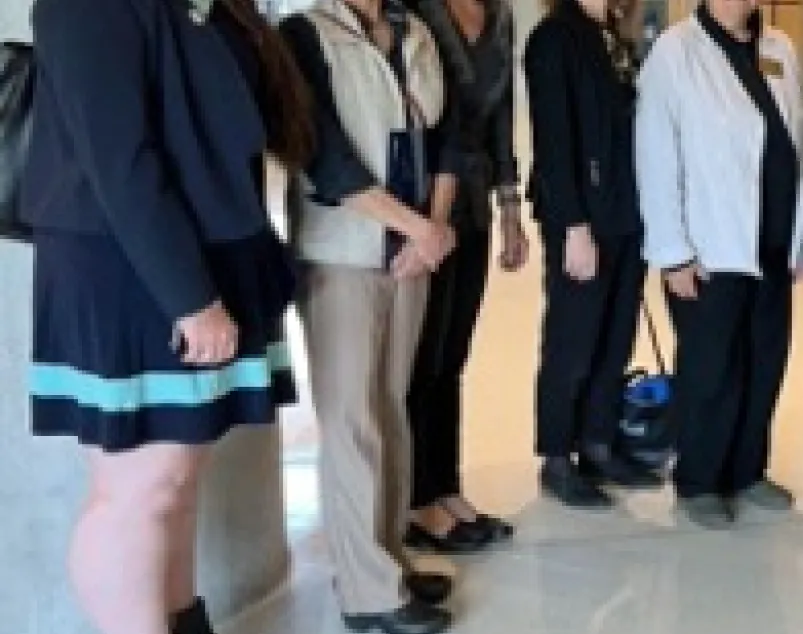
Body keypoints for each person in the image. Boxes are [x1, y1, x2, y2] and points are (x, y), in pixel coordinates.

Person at [23, 0, 309, 631]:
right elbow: (119, 162)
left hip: (207, 254)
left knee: (178, 481)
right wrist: (191, 298)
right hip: (131, 268)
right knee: (141, 489)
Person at [281, 0, 462, 630]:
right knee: (352, 419)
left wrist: (432, 228)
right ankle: (366, 592)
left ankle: (389, 561)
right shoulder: (304, 35)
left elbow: (447, 137)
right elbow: (323, 155)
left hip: (411, 254)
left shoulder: (416, 31)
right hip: (343, 254)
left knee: (390, 407)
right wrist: (417, 227)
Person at [637, 0, 803, 530]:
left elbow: (798, 144)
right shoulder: (675, 52)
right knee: (712, 369)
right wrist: (672, 253)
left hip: (773, 244)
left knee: (765, 362)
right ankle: (698, 480)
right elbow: (656, 155)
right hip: (710, 247)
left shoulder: (778, 48)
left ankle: (746, 471)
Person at [401, 0, 527, 552]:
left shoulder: (500, 16)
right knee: (420, 360)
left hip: (472, 205)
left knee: (451, 358)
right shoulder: (414, 10)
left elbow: (501, 117)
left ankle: (446, 487)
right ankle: (415, 499)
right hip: (420, 203)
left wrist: (509, 208)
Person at [525, 0, 657, 510]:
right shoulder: (555, 37)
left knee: (615, 334)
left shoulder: (616, 37)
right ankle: (557, 455)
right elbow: (554, 142)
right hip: (580, 217)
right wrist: (573, 225)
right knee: (572, 339)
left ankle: (598, 443)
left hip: (625, 213)